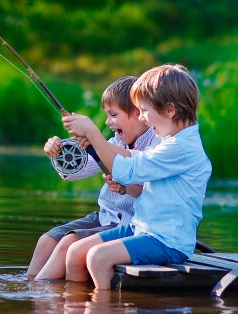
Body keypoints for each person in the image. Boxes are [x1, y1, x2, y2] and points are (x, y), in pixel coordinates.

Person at [46, 64, 212, 289]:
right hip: (141, 228)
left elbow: (125, 170)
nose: (142, 118)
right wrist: (94, 143)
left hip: (166, 240)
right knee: (76, 251)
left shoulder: (181, 148)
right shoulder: (170, 141)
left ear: (170, 110)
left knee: (97, 257)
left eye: (144, 110)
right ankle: (76, 313)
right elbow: (131, 164)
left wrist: (94, 134)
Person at [27, 76, 157, 280]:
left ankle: (40, 295)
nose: (107, 122)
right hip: (105, 217)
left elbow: (138, 163)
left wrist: (95, 139)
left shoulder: (156, 144)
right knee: (46, 240)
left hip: (129, 225)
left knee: (67, 244)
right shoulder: (116, 141)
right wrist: (59, 150)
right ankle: (29, 287)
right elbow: (75, 172)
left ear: (138, 113)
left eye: (113, 115)